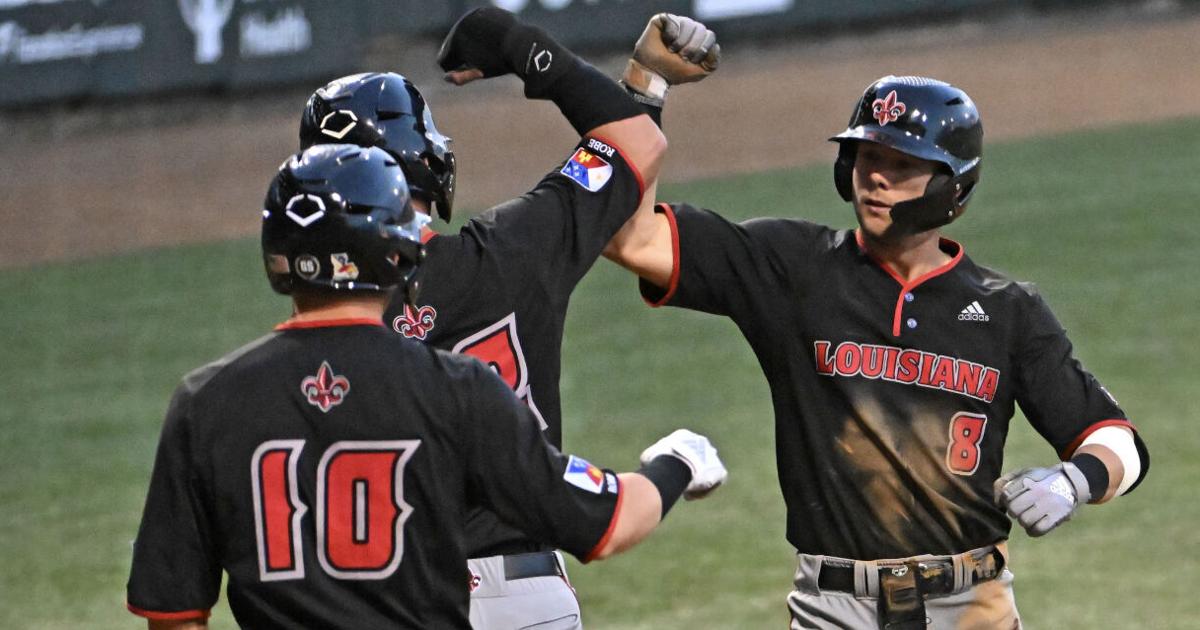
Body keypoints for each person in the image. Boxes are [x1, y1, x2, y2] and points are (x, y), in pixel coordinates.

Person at [604, 75, 1149, 629]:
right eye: (865, 158)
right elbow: (631, 239)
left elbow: (1117, 443)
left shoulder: (1008, 311)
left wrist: (1073, 481)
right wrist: (645, 88)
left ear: (952, 185)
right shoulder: (793, 269)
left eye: (902, 165)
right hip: (834, 609)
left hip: (974, 609)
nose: (876, 179)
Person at [124, 143, 728, 630]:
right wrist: (675, 463)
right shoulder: (456, 390)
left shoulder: (206, 404)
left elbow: (175, 614)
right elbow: (609, 522)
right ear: (396, 254)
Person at [298, 9, 719, 628]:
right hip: (520, 597)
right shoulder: (509, 253)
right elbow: (632, 146)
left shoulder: (315, 317)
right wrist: (526, 45)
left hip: (381, 600)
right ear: (420, 159)